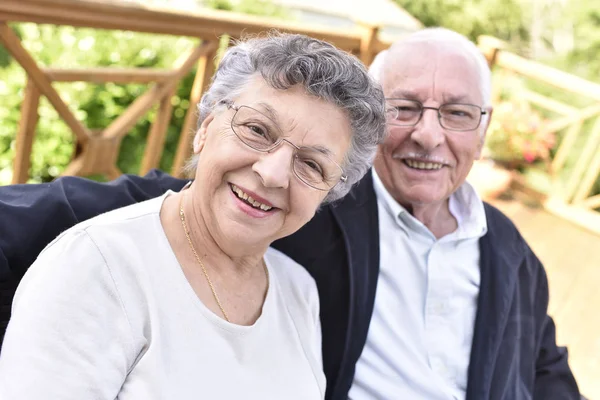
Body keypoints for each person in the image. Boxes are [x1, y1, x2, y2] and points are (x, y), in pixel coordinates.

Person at [0, 28, 581, 400]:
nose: (428, 136)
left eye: (456, 113)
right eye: (404, 108)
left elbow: (543, 363)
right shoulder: (316, 210)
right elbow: (157, 206)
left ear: (483, 129)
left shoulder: (510, 251)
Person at [0, 33, 387, 399]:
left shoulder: (299, 290)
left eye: (311, 164)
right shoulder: (96, 268)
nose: (272, 173)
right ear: (205, 130)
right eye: (257, 129)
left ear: (329, 193)